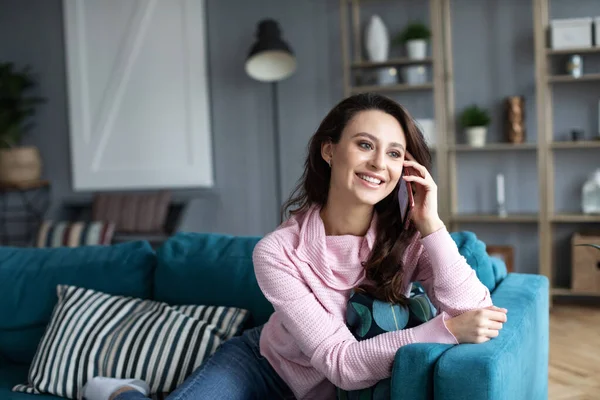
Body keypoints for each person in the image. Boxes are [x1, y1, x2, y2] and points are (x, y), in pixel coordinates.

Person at [82, 93, 507, 400]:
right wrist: (444, 331)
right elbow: (342, 362)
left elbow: (477, 310)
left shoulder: (409, 238)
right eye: (364, 145)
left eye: (395, 154)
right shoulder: (277, 252)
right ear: (329, 150)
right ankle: (122, 393)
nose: (380, 164)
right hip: (265, 369)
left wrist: (431, 224)